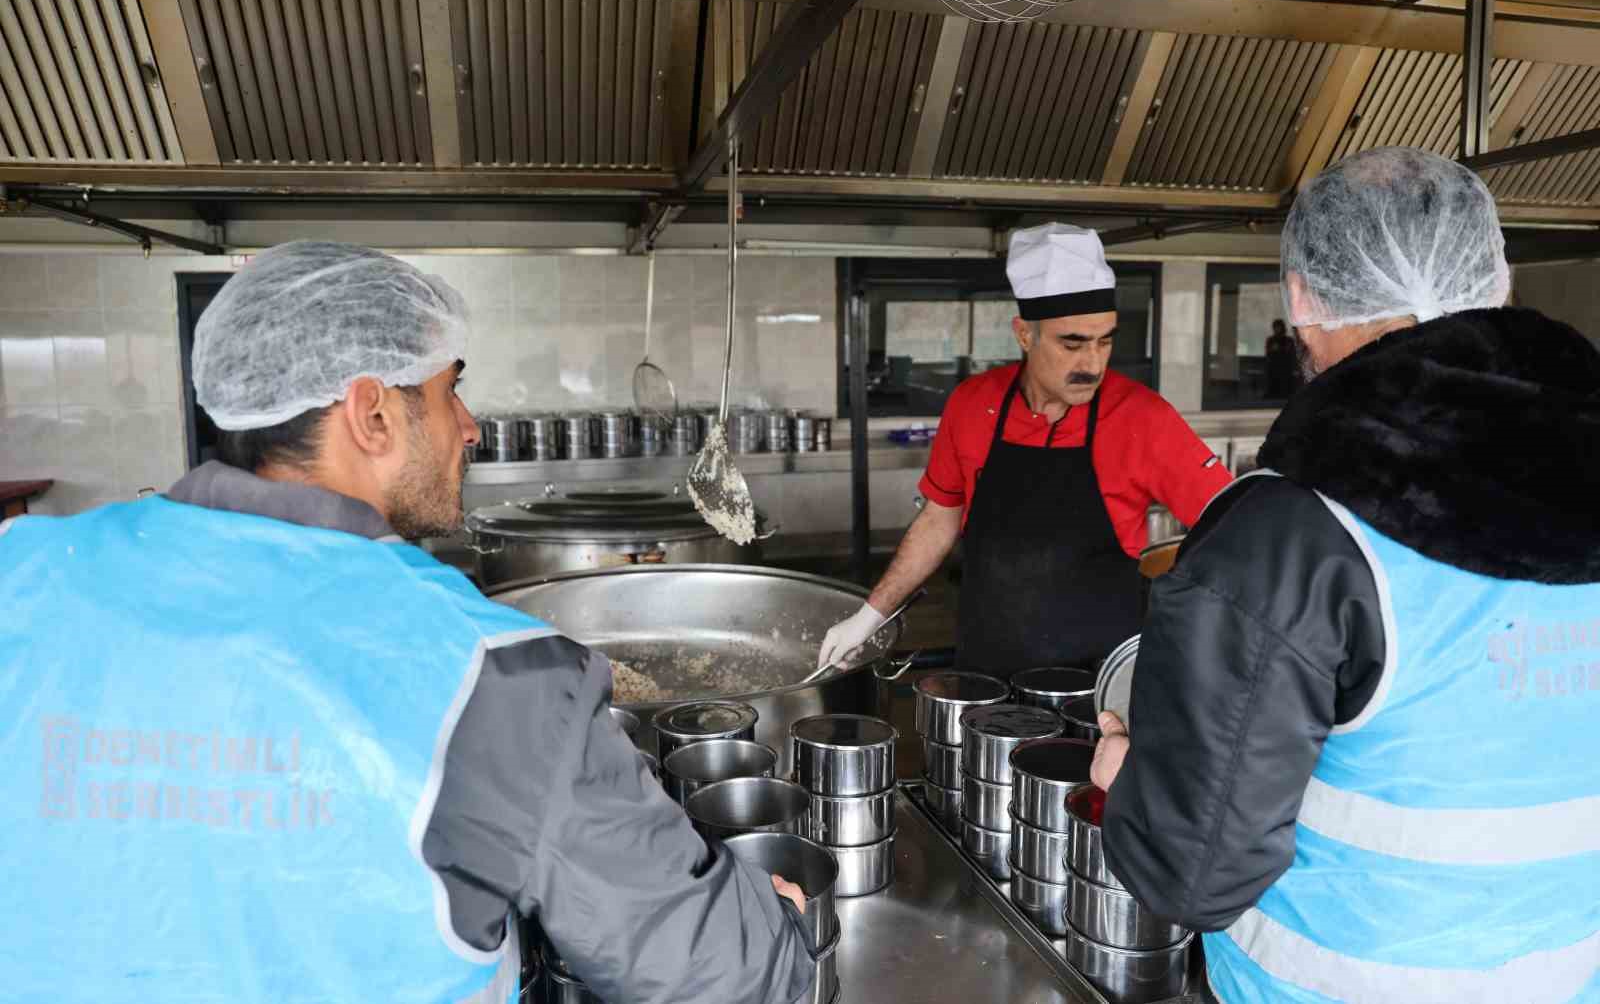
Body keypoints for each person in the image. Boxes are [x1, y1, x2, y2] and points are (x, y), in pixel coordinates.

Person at [0, 242, 815, 1004]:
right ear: (372, 414)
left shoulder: (22, 569)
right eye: (449, 387)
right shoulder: (486, 668)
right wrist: (777, 927)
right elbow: (711, 972)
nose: (469, 426)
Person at [1090, 147, 1600, 1003]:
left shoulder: (1294, 532)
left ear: (1302, 295)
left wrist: (1126, 775)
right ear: (1495, 279)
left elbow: (1192, 875)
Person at [818, 223, 1233, 676]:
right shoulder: (973, 404)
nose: (1092, 364)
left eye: (1105, 340)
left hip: (1098, 696)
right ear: (1024, 334)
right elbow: (940, 518)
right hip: (987, 680)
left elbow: (1235, 527)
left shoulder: (1143, 418)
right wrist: (869, 616)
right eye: (1072, 343)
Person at [1263, 318, 1295, 397]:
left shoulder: (1289, 340)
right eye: (1276, 327)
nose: (1277, 329)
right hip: (1274, 366)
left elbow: (1291, 353)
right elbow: (1269, 352)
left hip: (1285, 367)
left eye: (1279, 327)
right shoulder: (1271, 340)